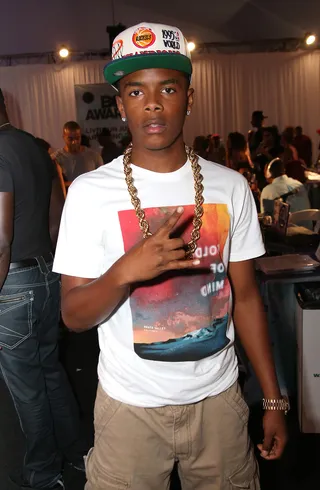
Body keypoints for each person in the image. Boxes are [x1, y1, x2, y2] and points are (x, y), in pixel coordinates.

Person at [53, 22, 288, 490]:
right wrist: (124, 274)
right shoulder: (88, 192)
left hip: (220, 404)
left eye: (168, 88)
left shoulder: (230, 186)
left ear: (189, 97)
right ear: (121, 106)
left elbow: (245, 299)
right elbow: (73, 316)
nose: (153, 103)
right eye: (136, 91)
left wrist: (273, 399)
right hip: (128, 410)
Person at [0, 91, 85, 490]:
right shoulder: (36, 148)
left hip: (12, 282)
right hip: (47, 273)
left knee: (28, 388)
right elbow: (56, 221)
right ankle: (79, 455)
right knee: (50, 373)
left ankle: (43, 473)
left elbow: (1, 240)